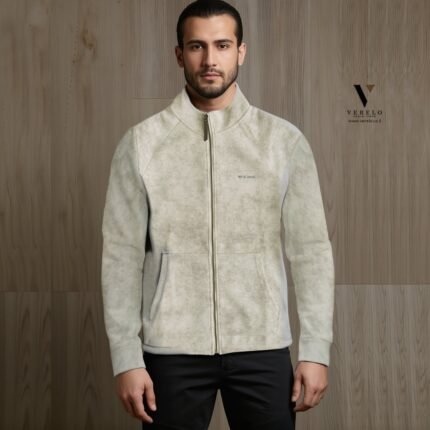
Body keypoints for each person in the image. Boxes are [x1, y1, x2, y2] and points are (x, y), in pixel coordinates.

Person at [101, 0, 335, 429]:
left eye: (222, 45)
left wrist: (315, 350)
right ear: (179, 54)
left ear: (241, 51)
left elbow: (311, 251)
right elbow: (120, 258)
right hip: (171, 349)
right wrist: (126, 358)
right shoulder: (142, 145)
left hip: (262, 344)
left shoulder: (282, 142)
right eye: (197, 46)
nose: (210, 60)